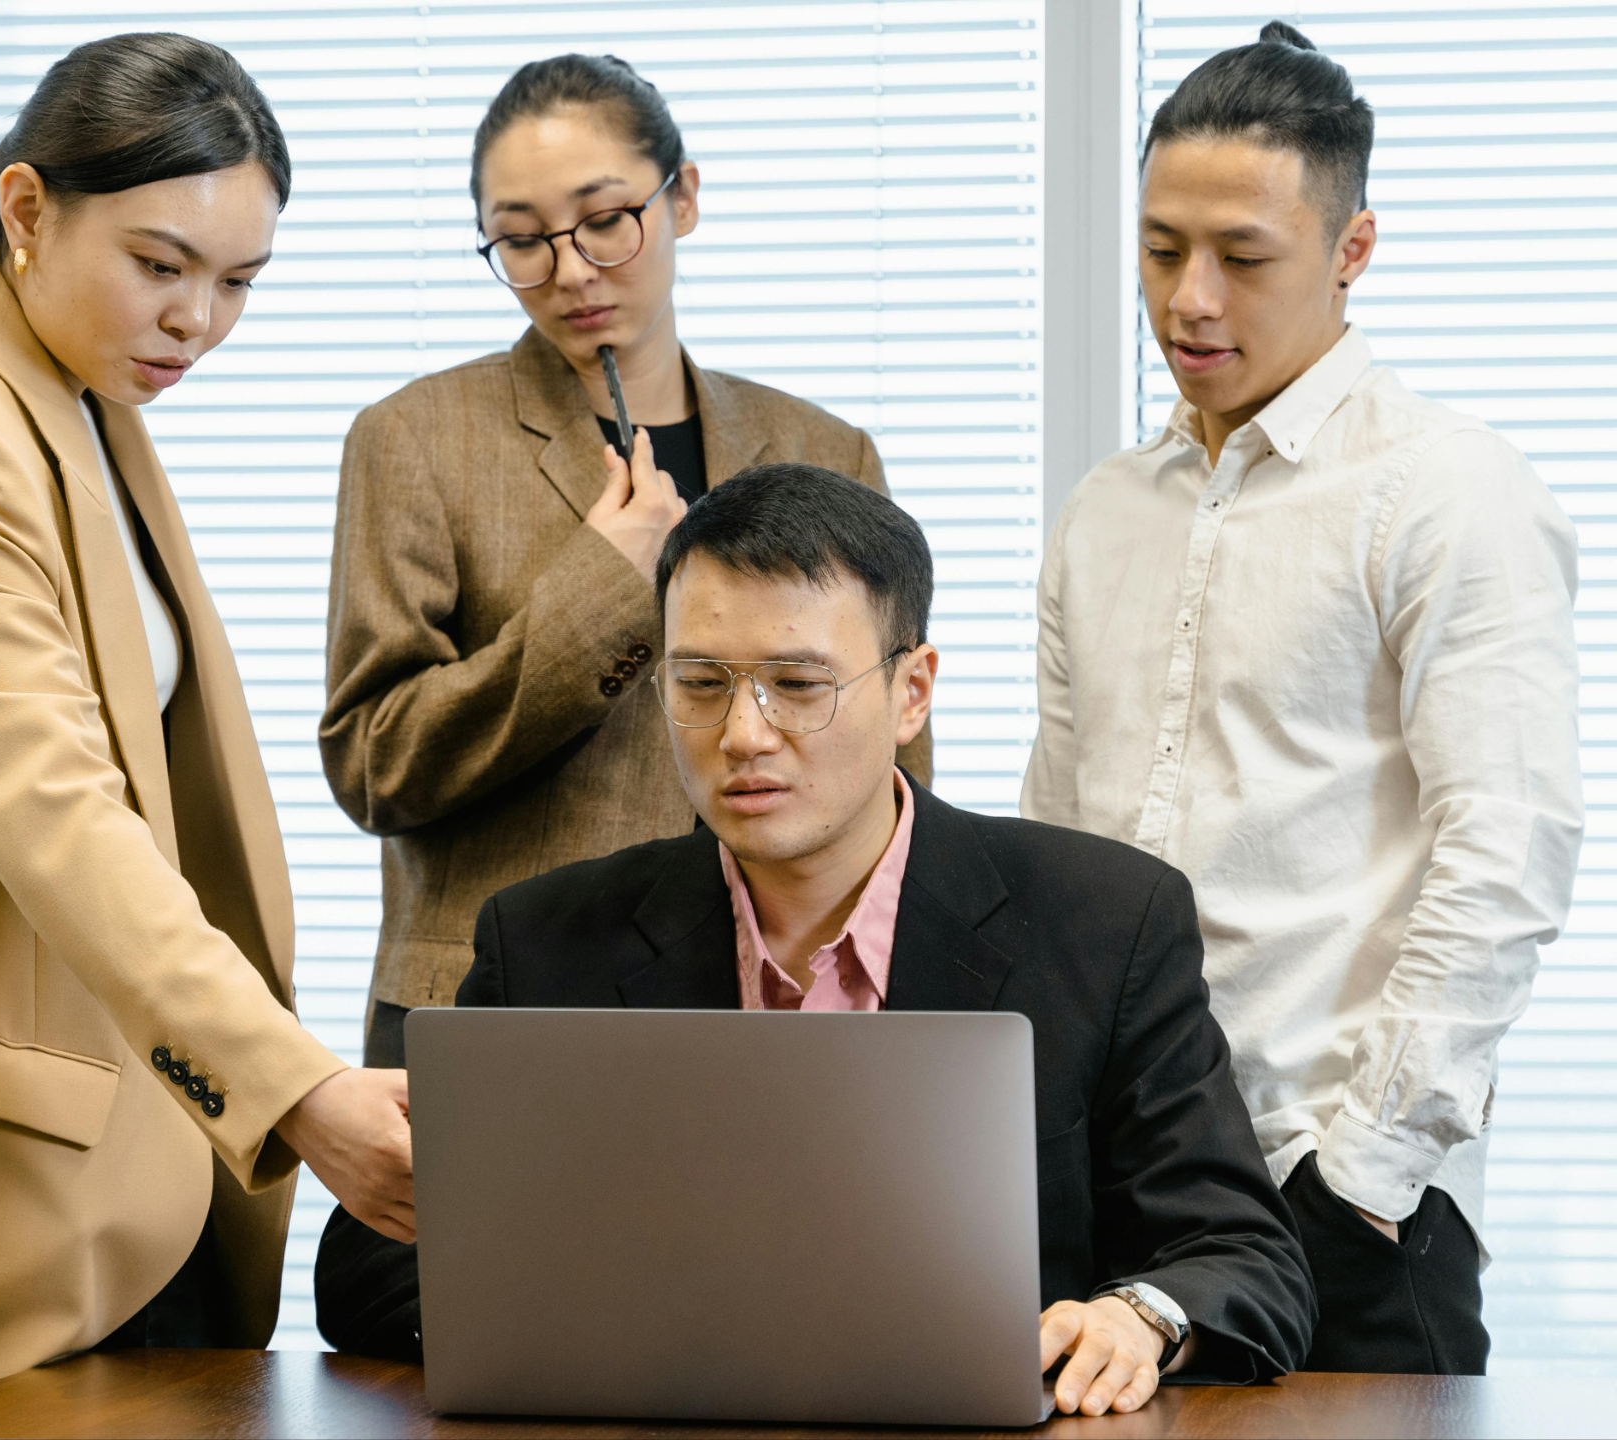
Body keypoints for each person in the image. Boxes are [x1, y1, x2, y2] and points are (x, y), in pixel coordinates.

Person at [0, 36, 413, 1435]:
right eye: (161, 265)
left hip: (124, 1171)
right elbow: (55, 811)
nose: (196, 321)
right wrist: (296, 1089)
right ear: (28, 210)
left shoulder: (81, 399)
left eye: (239, 282)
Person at [317, 465, 1315, 1417]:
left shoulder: (1106, 920)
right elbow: (371, 1273)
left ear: (912, 691)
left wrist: (1139, 1320)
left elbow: (1243, 1259)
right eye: (701, 682)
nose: (743, 734)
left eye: (798, 683)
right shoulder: (546, 940)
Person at [1021, 22, 1582, 1376]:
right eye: (1161, 249)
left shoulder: (1447, 489)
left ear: (1352, 248)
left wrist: (1365, 1175)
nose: (1190, 299)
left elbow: (1506, 854)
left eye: (1243, 256)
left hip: (1339, 1203)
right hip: (1121, 1202)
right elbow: (1055, 855)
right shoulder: (1103, 512)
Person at [322, 54, 930, 1068]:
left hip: (776, 998)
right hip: (503, 1000)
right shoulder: (416, 438)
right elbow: (377, 765)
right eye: (523, 241)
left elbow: (891, 762)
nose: (569, 271)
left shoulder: (825, 449)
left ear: (681, 196)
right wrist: (603, 588)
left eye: (606, 220)